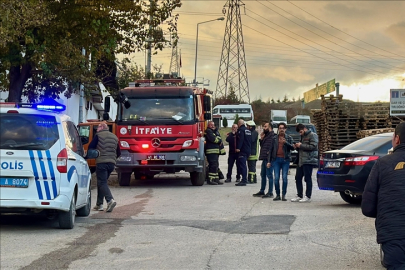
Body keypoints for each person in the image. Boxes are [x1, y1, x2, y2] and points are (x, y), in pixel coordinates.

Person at [361, 122, 405, 269]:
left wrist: (386, 214)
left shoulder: (382, 164)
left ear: (397, 139)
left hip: (394, 234)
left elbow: (368, 207)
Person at [88, 122, 121, 212]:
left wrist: (92, 155)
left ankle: (110, 200)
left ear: (102, 127)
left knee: (102, 182)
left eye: (98, 127)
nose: (97, 129)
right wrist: (112, 159)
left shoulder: (98, 135)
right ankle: (99, 204)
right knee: (102, 182)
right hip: (111, 164)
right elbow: (119, 152)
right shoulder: (115, 137)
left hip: (101, 162)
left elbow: (91, 147)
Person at [291, 123, 318, 203]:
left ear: (304, 128)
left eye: (301, 131)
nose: (300, 133)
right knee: (298, 178)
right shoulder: (302, 136)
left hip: (309, 160)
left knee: (307, 178)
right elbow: (302, 147)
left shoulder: (313, 135)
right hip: (301, 160)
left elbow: (313, 147)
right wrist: (297, 146)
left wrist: (301, 145)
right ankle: (299, 195)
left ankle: (308, 196)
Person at [271, 122, 295, 201]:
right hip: (276, 160)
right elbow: (270, 150)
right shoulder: (274, 138)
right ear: (278, 129)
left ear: (285, 129)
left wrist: (286, 143)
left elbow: (293, 148)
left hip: (285, 160)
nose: (281, 130)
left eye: (283, 128)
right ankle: (277, 194)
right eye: (280, 128)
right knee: (276, 177)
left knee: (284, 177)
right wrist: (269, 161)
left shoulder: (289, 138)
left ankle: (283, 194)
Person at [253, 122, 276, 198]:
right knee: (263, 175)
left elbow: (270, 149)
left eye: (265, 126)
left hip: (269, 159)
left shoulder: (272, 136)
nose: (263, 128)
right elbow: (263, 146)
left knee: (269, 175)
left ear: (270, 128)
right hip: (264, 158)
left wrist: (269, 160)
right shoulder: (266, 136)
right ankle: (262, 190)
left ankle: (270, 192)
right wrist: (261, 139)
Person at [204, 121, 223, 185]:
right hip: (211, 152)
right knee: (213, 165)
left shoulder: (214, 131)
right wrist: (219, 140)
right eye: (211, 125)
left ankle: (216, 179)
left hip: (215, 152)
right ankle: (211, 179)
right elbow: (214, 139)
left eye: (213, 125)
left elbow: (219, 138)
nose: (212, 126)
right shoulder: (208, 131)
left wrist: (218, 139)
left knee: (216, 165)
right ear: (208, 125)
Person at [235, 119, 251, 186]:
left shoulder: (241, 130)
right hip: (248, 150)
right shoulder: (248, 130)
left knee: (242, 165)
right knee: (244, 165)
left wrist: (238, 148)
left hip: (242, 150)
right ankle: (245, 179)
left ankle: (244, 180)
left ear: (239, 124)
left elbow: (241, 139)